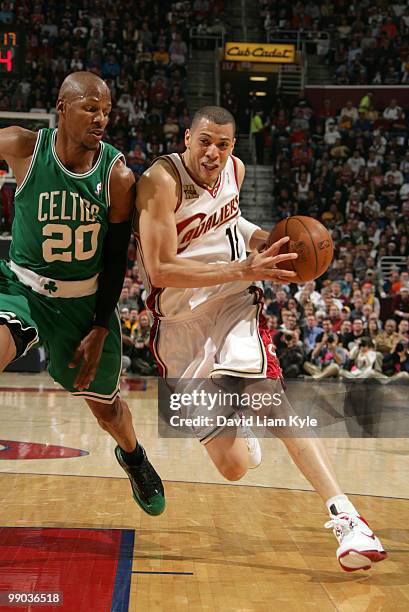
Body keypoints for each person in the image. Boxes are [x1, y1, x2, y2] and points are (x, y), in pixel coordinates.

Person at [136, 105, 386, 571]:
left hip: (233, 300)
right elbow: (160, 268)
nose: (214, 153)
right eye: (205, 141)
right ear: (187, 137)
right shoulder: (160, 182)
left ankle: (348, 519)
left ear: (233, 147)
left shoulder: (236, 170)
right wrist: (245, 266)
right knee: (232, 466)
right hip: (178, 325)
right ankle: (243, 427)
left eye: (224, 144)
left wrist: (268, 245)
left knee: (269, 396)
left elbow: (234, 227)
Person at [0, 71, 164, 516]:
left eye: (106, 111)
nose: (101, 118)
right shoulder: (22, 146)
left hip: (83, 302)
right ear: (62, 107)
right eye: (91, 108)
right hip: (21, 287)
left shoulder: (117, 177)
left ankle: (133, 457)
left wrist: (98, 327)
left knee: (108, 414)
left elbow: (116, 260)